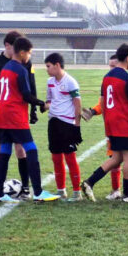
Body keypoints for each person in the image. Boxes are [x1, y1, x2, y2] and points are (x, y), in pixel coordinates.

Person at [0, 37, 59, 203]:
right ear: (22, 53)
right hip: (15, 115)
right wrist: (41, 104)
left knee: (5, 152)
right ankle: (38, 192)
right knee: (31, 149)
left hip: (2, 114)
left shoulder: (6, 67)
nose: (30, 56)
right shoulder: (20, 70)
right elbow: (26, 95)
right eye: (29, 53)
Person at [81, 44, 128, 203]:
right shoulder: (127, 78)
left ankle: (89, 182)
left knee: (116, 158)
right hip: (124, 123)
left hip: (111, 123)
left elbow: (103, 102)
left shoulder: (107, 77)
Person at [0, 31, 39, 200]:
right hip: (1, 111)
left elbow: (31, 87)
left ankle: (25, 188)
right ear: (8, 46)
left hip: (17, 110)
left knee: (20, 149)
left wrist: (33, 110)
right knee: (0, 148)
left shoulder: (24, 63)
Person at [44, 53, 83, 201]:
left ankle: (77, 192)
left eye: (48, 66)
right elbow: (49, 101)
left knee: (70, 158)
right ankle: (61, 190)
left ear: (57, 65)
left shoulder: (71, 82)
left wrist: (76, 126)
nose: (47, 69)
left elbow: (77, 104)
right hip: (53, 122)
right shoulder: (50, 81)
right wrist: (43, 106)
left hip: (67, 124)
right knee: (55, 157)